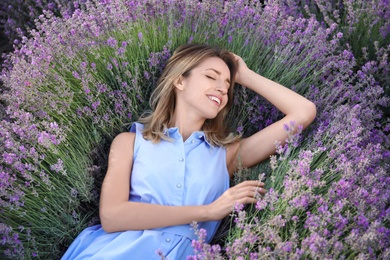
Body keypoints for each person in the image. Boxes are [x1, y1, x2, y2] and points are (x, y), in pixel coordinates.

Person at [62, 43, 316, 259]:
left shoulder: (225, 155)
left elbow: (303, 113)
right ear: (179, 80)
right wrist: (208, 211)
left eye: (227, 84)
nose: (222, 88)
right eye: (211, 76)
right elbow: (112, 216)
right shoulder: (130, 141)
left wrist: (244, 75)